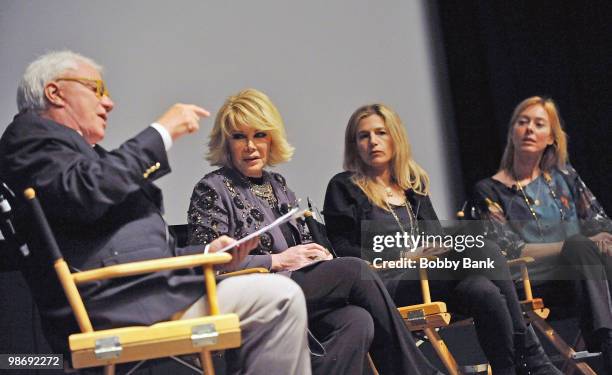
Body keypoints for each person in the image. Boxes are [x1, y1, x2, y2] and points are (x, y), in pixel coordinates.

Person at [0, 50, 311, 375]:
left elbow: (125, 242)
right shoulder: (31, 138)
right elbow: (88, 191)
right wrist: (162, 132)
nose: (108, 103)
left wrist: (208, 252)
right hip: (123, 307)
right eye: (97, 90)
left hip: (141, 293)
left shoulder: (66, 150)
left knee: (303, 300)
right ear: (55, 92)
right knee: (281, 298)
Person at [187, 88, 443, 375]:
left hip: (296, 287)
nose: (250, 146)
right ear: (226, 141)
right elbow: (206, 264)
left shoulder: (278, 184)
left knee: (356, 320)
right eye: (239, 137)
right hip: (252, 292)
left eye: (259, 135)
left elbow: (302, 246)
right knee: (353, 271)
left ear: (271, 139)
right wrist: (277, 260)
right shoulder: (212, 188)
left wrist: (316, 254)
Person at [323, 103, 561, 375]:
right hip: (384, 285)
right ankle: (531, 355)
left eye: (381, 133)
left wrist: (436, 250)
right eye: (363, 136)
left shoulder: (412, 186)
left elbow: (435, 238)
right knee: (483, 249)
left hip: (428, 278)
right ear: (354, 145)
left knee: (483, 290)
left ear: (395, 138)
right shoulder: (344, 186)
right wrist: (404, 256)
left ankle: (510, 368)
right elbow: (342, 250)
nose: (372, 142)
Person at [473, 96, 612, 373]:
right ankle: (607, 342)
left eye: (539, 124)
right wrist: (569, 245)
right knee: (579, 246)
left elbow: (600, 223)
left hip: (585, 277)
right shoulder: (490, 190)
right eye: (522, 123)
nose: (529, 130)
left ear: (551, 138)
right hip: (532, 279)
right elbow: (508, 250)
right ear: (512, 132)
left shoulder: (565, 178)